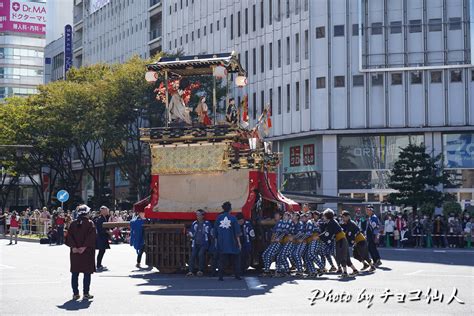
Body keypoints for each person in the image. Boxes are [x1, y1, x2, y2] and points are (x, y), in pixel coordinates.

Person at [65, 205, 96, 300]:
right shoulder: (90, 223)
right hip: (87, 252)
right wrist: (84, 247)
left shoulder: (73, 223)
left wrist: (73, 247)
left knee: (75, 273)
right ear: (87, 213)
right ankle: (86, 293)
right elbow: (92, 237)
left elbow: (68, 236)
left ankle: (75, 294)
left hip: (75, 252)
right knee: (87, 273)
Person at [320, 209, 352, 278]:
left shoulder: (331, 223)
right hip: (341, 239)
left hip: (341, 240)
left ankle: (345, 272)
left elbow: (327, 233)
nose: (323, 217)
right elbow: (326, 230)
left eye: (324, 216)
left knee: (341, 256)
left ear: (327, 216)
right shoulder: (331, 222)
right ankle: (353, 270)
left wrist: (319, 237)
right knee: (343, 256)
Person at [214, 202, 242, 281]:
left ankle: (220, 276)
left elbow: (215, 232)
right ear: (230, 209)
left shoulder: (218, 218)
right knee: (236, 259)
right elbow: (237, 232)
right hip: (232, 242)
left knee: (222, 260)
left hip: (222, 242)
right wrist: (239, 243)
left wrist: (216, 242)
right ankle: (237, 275)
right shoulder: (233, 218)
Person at [186, 209, 212, 277]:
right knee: (192, 255)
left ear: (203, 216)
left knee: (200, 254)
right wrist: (189, 234)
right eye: (197, 215)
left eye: (199, 215)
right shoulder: (194, 223)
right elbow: (192, 232)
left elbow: (210, 233)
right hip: (196, 243)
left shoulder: (207, 223)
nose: (198, 216)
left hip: (204, 243)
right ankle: (190, 271)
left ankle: (200, 270)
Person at [261, 212, 284, 277]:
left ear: (280, 216)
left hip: (278, 243)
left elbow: (284, 233)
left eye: (277, 215)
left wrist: (278, 239)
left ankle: (267, 271)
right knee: (264, 254)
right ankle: (268, 270)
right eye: (275, 215)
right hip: (273, 242)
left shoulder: (282, 223)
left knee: (269, 255)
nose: (275, 216)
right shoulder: (276, 223)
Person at [275, 212, 294, 277]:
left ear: (289, 217)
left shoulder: (289, 222)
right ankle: (279, 271)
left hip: (289, 240)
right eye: (284, 215)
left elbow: (285, 231)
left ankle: (287, 271)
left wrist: (278, 238)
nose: (284, 217)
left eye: (286, 216)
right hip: (283, 241)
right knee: (279, 256)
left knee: (283, 255)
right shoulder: (282, 222)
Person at [95, 206, 110, 271]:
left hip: (103, 237)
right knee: (101, 251)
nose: (107, 211)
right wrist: (108, 232)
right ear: (102, 211)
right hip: (101, 237)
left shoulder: (105, 218)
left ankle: (99, 264)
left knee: (102, 251)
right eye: (106, 210)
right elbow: (100, 229)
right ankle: (98, 265)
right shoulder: (100, 219)